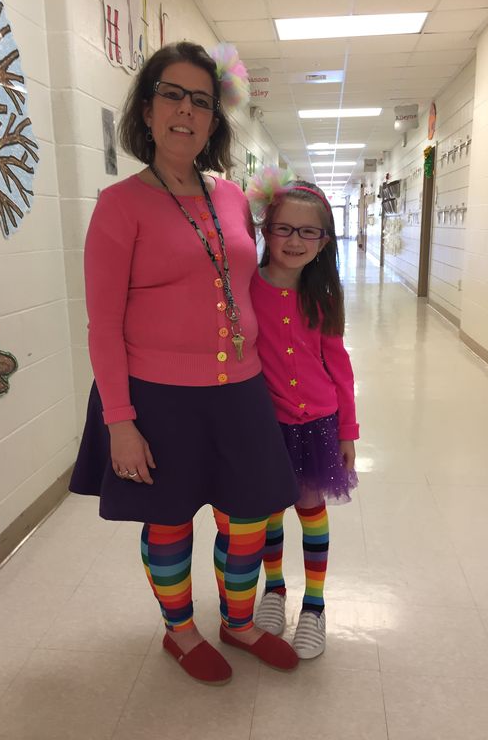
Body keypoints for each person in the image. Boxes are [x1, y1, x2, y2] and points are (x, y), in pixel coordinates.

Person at [69, 43, 300, 685]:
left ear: (213, 118)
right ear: (147, 108)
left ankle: (239, 620)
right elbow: (103, 326)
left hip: (241, 389)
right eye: (172, 94)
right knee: (168, 520)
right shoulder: (120, 207)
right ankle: (180, 632)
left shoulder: (230, 196)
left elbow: (244, 281)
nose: (186, 110)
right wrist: (119, 420)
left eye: (201, 100)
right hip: (158, 395)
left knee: (249, 514)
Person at [247, 169, 360, 659]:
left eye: (308, 231)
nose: (295, 240)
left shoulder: (324, 294)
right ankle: (275, 590)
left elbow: (340, 367)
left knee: (310, 511)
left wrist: (347, 430)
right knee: (270, 512)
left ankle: (314, 605)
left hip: (316, 425)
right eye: (284, 228)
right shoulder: (246, 288)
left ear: (324, 239)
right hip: (265, 427)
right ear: (266, 230)